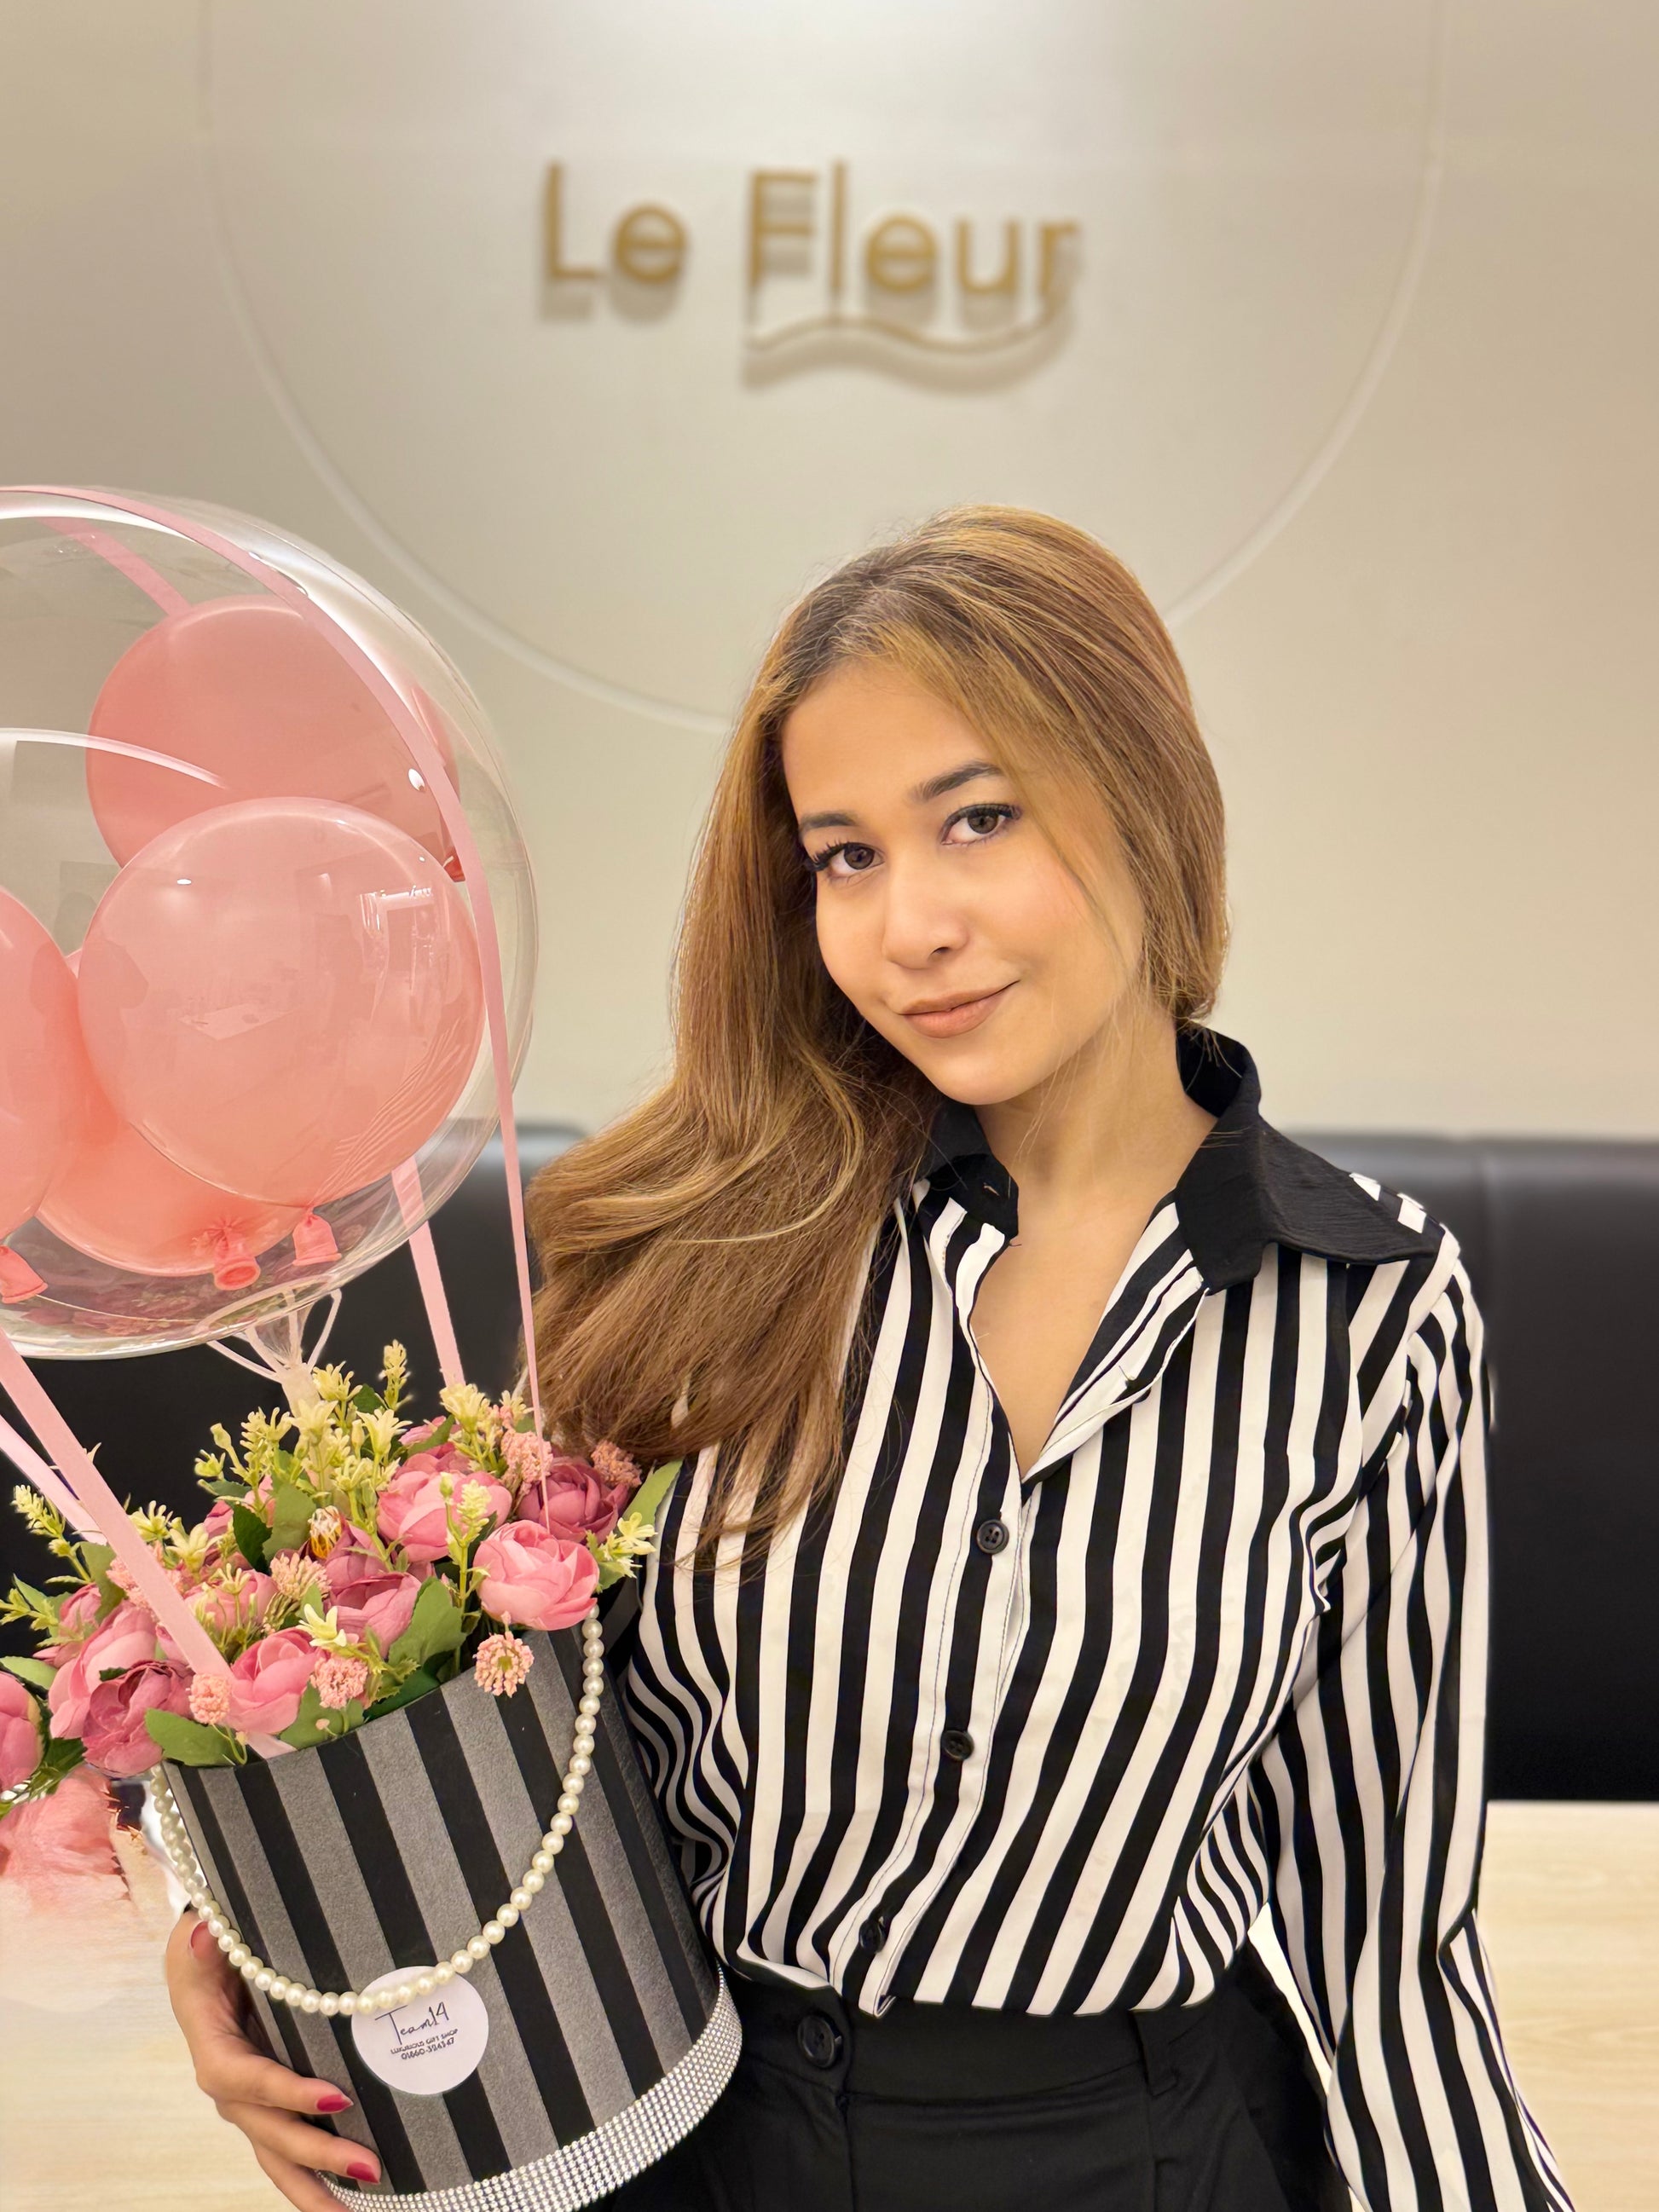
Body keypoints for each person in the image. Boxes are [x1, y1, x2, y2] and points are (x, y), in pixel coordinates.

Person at [166, 508, 1571, 2211]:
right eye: (844, 855)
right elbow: (497, 1740)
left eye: (977, 818)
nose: (909, 924)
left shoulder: (1368, 1306)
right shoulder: (692, 1247)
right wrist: (249, 1937)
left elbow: (1385, 1936)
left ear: (1146, 797)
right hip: (705, 2134)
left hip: (1144, 2149)